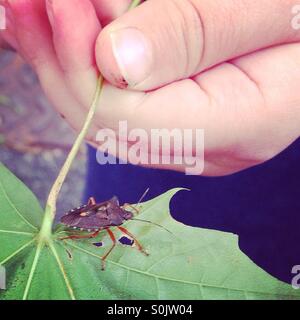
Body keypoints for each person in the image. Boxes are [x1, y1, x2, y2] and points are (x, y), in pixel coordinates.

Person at [1, 0, 300, 283]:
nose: (128, 215)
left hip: (278, 201)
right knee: (111, 266)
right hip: (133, 144)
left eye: (127, 214)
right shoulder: (117, 214)